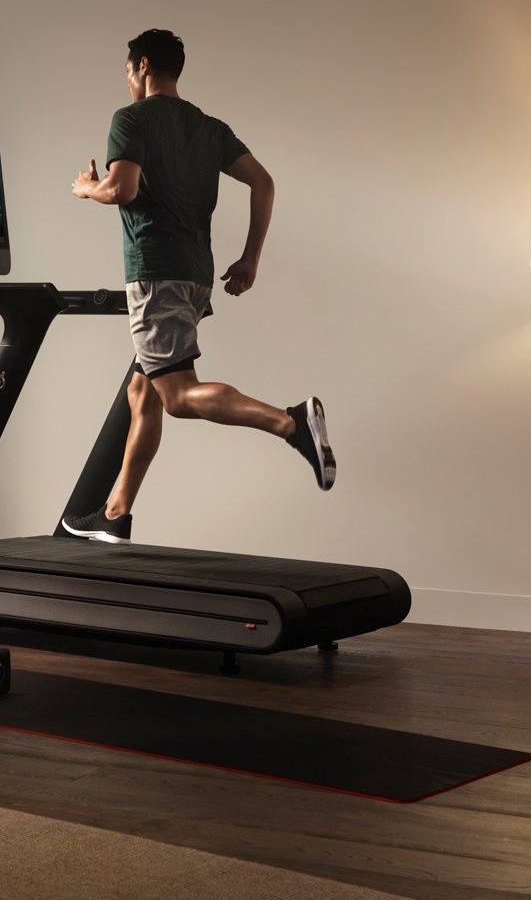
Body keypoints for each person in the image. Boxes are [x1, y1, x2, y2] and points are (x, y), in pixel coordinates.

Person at [60, 29, 334, 545]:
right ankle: (116, 515)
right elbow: (264, 182)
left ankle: (292, 423)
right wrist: (251, 258)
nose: (126, 81)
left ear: (142, 65)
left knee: (179, 397)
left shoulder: (131, 119)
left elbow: (123, 189)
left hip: (155, 272)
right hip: (196, 275)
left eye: (126, 71)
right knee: (144, 390)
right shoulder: (209, 127)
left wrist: (85, 188)